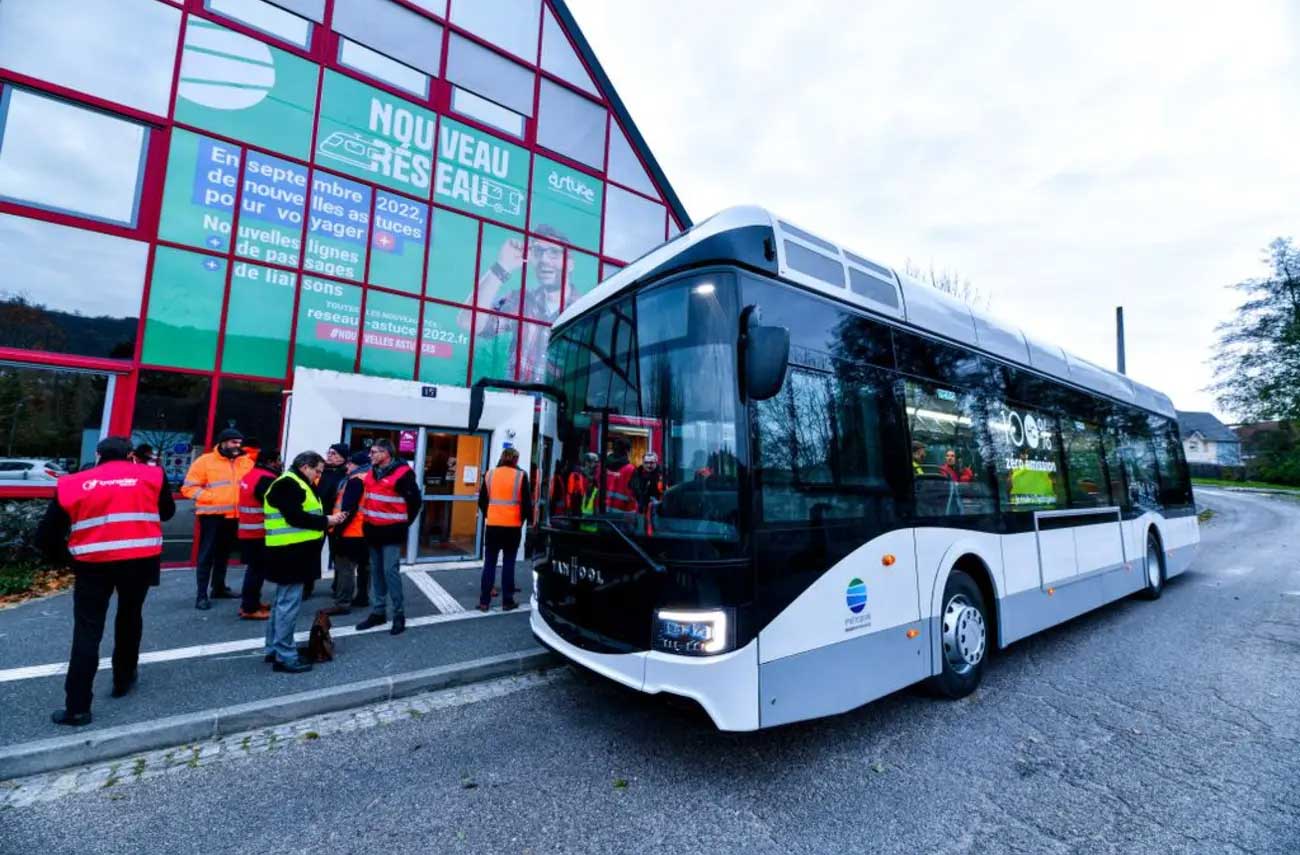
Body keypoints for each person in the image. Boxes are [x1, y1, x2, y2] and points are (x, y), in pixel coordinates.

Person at [35, 436, 175, 725]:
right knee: (130, 616)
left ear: (98, 455)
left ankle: (77, 707)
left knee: (87, 630)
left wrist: (68, 558)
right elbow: (168, 512)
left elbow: (46, 536)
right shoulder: (152, 475)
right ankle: (123, 678)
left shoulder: (73, 483)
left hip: (92, 565)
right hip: (140, 560)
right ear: (130, 455)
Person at [262, 451, 344, 673]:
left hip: (290, 553)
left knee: (281, 604)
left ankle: (274, 649)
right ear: (305, 466)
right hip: (291, 554)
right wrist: (327, 520)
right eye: (317, 470)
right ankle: (285, 655)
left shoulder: (293, 483)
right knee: (288, 605)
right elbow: (295, 517)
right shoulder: (290, 484)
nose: (318, 475)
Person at [182, 428, 254, 610]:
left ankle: (219, 588)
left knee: (224, 554)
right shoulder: (204, 461)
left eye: (239, 443)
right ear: (222, 442)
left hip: (235, 516)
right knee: (206, 555)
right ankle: (201, 595)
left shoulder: (246, 462)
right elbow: (188, 488)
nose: (238, 446)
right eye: (233, 442)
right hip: (212, 516)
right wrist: (212, 497)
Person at [355, 439, 421, 635]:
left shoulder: (403, 474)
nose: (371, 455)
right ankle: (378, 612)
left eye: (374, 452)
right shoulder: (371, 472)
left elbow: (415, 502)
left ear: (386, 454)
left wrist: (403, 524)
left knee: (389, 571)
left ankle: (398, 614)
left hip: (391, 531)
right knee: (376, 572)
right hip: (373, 530)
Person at [477, 447, 532, 612]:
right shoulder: (521, 476)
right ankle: (507, 601)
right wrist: (522, 521)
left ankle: (484, 602)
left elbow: (482, 501)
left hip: (493, 526)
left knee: (489, 563)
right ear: (515, 460)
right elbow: (527, 505)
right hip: (512, 527)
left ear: (502, 458)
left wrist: (491, 515)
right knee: (509, 563)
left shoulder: (490, 474)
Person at [235, 450, 282, 620]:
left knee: (254, 570)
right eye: (278, 460)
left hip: (249, 530)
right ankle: (249, 607)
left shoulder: (251, 475)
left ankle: (252, 602)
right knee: (256, 571)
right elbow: (275, 504)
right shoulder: (266, 479)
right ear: (270, 461)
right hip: (259, 532)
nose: (280, 463)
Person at [325, 451, 371, 615]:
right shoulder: (371, 479)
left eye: (350, 464)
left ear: (358, 466)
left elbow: (348, 508)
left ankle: (342, 603)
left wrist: (337, 530)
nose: (347, 466)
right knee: (365, 567)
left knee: (345, 568)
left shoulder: (355, 481)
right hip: (366, 531)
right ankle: (363, 597)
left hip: (350, 531)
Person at [603, 437, 637, 512]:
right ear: (627, 451)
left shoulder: (602, 466)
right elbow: (634, 494)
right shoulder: (631, 469)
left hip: (602, 513)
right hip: (621, 516)